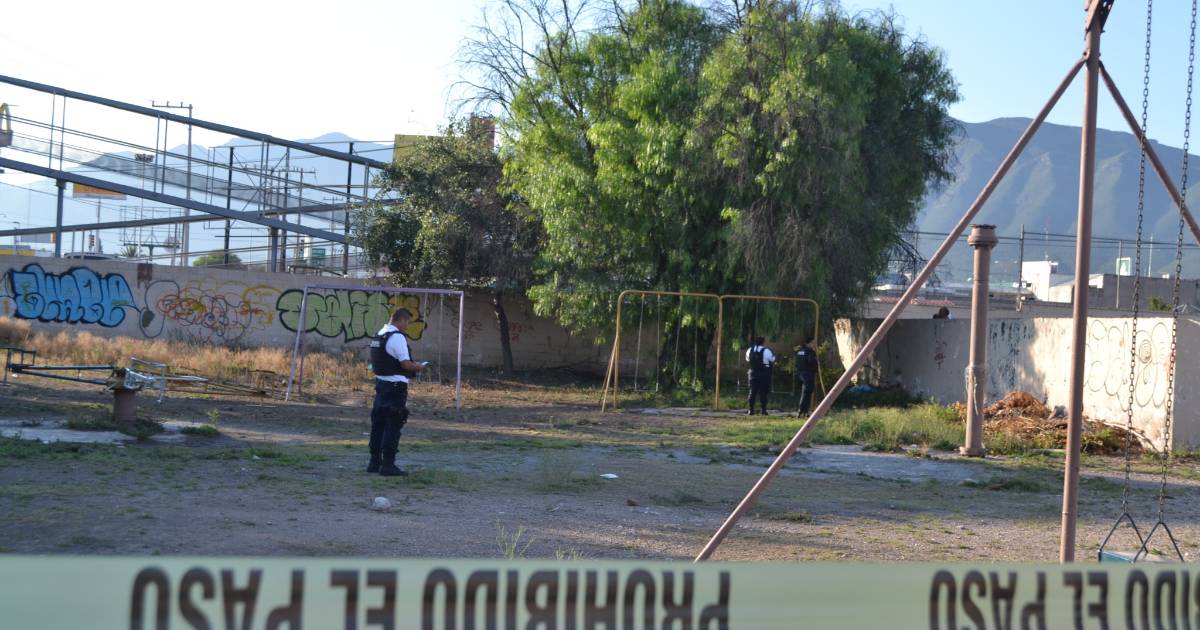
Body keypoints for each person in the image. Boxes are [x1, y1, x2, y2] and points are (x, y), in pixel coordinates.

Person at [366, 307, 425, 477]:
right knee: (393, 425)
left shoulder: (379, 335)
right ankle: (388, 465)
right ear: (401, 320)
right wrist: (418, 367)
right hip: (396, 387)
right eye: (407, 322)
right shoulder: (397, 337)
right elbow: (405, 364)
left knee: (378, 425)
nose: (407, 326)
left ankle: (374, 462)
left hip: (381, 385)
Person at [745, 336, 775, 415]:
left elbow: (747, 359)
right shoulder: (766, 351)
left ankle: (750, 410)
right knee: (763, 393)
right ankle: (763, 411)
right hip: (764, 373)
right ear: (763, 342)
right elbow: (772, 359)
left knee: (752, 392)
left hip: (752, 373)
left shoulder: (749, 350)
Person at [795, 335, 819, 417]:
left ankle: (803, 411)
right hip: (808, 373)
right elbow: (811, 361)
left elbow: (797, 363)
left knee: (805, 392)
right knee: (807, 393)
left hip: (801, 373)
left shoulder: (800, 351)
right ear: (809, 343)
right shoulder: (810, 351)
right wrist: (816, 359)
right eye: (813, 343)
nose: (814, 344)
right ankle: (802, 410)